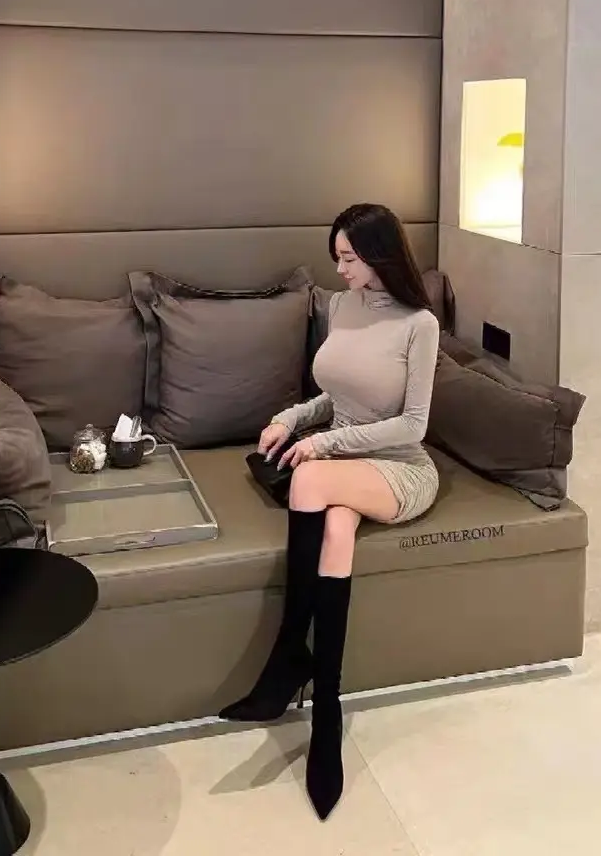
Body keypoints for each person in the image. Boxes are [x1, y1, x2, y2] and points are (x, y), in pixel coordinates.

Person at [219, 203, 441, 820]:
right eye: (336, 257)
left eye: (349, 258)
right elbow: (333, 394)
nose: (340, 269)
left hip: (398, 467)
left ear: (379, 255)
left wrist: (323, 445)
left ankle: (290, 657)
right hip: (343, 464)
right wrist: (288, 420)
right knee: (334, 531)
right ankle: (326, 708)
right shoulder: (342, 306)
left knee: (310, 477)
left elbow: (414, 425)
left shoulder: (419, 324)